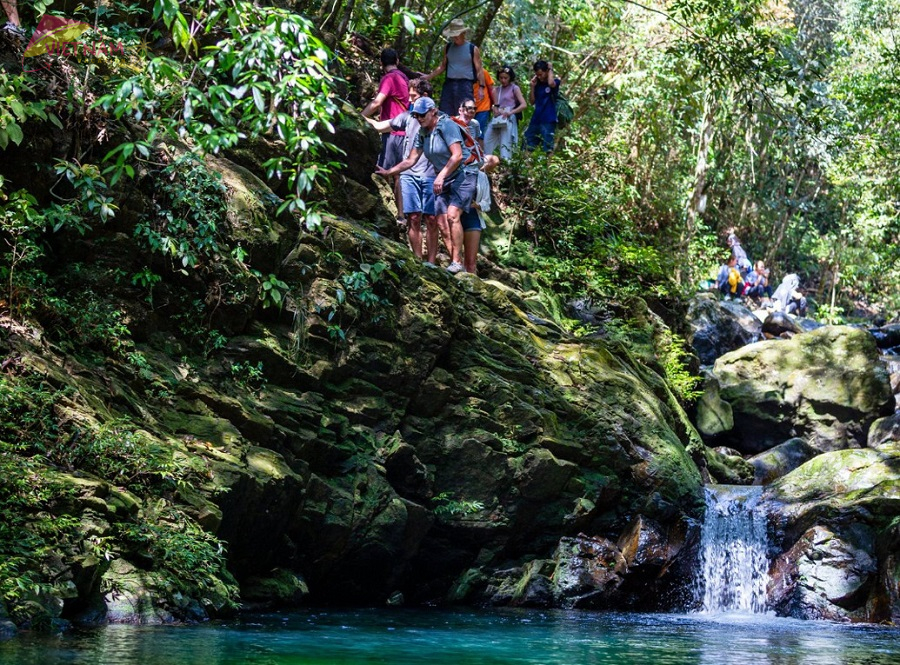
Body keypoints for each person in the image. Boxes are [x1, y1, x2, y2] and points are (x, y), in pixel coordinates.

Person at [376, 96, 477, 274]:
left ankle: (457, 262)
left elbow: (457, 155)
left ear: (433, 112)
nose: (419, 119)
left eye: (422, 115)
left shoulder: (446, 126)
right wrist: (389, 172)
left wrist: (441, 176)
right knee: (440, 219)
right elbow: (411, 159)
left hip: (464, 174)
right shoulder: (423, 133)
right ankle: (453, 261)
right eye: (416, 116)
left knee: (452, 215)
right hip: (445, 177)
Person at [364, 78, 437, 261]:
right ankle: (419, 261)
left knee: (432, 220)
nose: (409, 100)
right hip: (408, 174)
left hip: (430, 175)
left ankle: (432, 262)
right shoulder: (407, 116)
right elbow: (380, 126)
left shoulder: (439, 120)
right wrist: (352, 114)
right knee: (413, 218)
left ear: (425, 97)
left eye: (413, 96)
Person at [362, 48, 410, 224]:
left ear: (381, 64)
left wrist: (360, 117)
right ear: (396, 60)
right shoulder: (404, 78)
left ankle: (389, 214)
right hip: (403, 131)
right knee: (398, 174)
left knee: (385, 172)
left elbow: (377, 102)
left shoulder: (390, 78)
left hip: (391, 131)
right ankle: (401, 215)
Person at [424, 19, 487, 117]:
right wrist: (428, 77)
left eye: (457, 34)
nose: (455, 37)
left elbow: (479, 69)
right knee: (445, 113)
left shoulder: (472, 49)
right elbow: (442, 66)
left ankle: (463, 132)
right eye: (453, 35)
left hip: (465, 85)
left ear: (463, 33)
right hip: (449, 85)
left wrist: (481, 87)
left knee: (464, 113)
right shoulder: (448, 47)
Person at [485, 65, 527, 161]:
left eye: (506, 78)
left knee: (505, 145)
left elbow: (523, 104)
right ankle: (486, 162)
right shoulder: (496, 89)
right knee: (487, 140)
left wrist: (511, 112)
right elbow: (495, 105)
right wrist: (494, 109)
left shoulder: (514, 88)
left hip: (508, 119)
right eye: (501, 78)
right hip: (497, 118)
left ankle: (506, 165)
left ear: (510, 78)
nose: (503, 80)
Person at [525, 60, 560, 153]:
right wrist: (532, 86)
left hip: (548, 119)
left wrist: (550, 68)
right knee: (528, 144)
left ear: (546, 72)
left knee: (548, 147)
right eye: (538, 75)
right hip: (536, 119)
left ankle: (548, 166)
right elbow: (532, 102)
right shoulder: (537, 85)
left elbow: (551, 83)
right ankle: (526, 166)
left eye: (541, 74)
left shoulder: (555, 82)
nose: (539, 77)